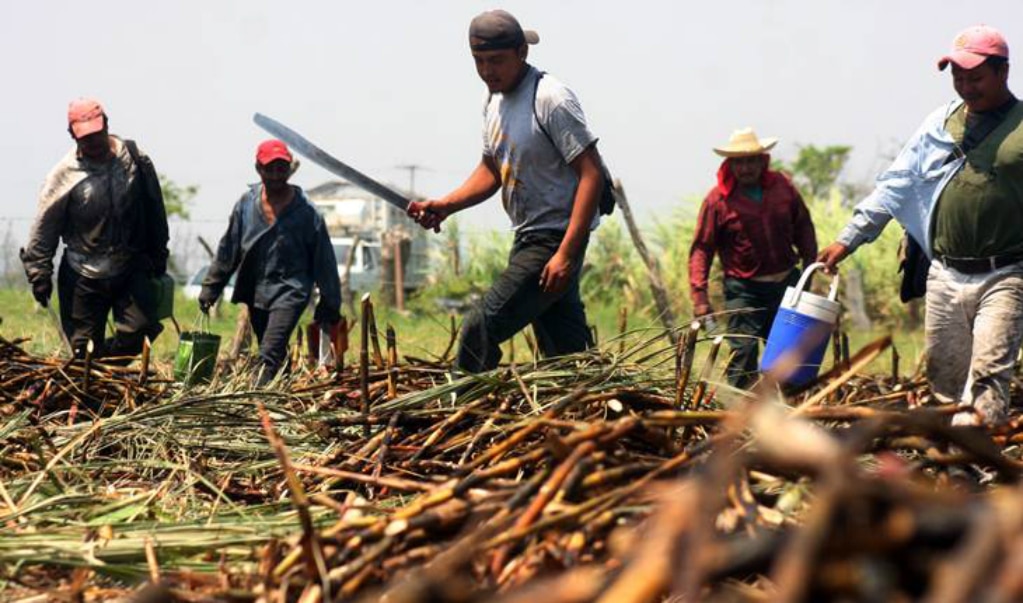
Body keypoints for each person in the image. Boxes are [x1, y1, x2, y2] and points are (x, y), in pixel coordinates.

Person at [818, 25, 1022, 427]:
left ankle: (978, 469)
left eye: (976, 77)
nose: (966, 86)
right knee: (945, 383)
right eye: (958, 77)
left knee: (987, 380)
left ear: (1003, 72)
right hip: (944, 272)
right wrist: (848, 239)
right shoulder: (940, 123)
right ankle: (955, 472)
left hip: (1007, 274)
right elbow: (899, 184)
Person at [406, 9, 607, 373]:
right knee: (567, 356)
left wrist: (565, 253)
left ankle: (465, 409)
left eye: (496, 60)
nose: (487, 71)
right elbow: (492, 169)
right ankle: (593, 422)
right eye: (479, 61)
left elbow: (591, 174)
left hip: (554, 239)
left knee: (479, 327)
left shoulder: (549, 98)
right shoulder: (493, 102)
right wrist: (446, 205)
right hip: (528, 237)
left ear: (521, 53)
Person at [21, 98, 169, 359]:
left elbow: (155, 207)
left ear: (106, 126)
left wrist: (159, 252)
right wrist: (39, 273)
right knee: (82, 352)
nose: (93, 143)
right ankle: (91, 380)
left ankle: (105, 363)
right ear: (73, 136)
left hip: (129, 265)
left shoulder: (133, 158)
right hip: (82, 275)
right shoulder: (64, 175)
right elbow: (44, 228)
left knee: (141, 331)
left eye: (97, 135)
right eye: (85, 138)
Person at [199, 140, 341, 384]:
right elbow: (228, 250)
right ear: (258, 169)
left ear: (289, 170)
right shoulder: (246, 205)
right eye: (270, 169)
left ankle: (257, 400)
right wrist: (211, 287)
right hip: (256, 290)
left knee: (269, 352)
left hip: (291, 290)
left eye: (281, 169)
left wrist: (330, 302)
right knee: (274, 350)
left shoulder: (307, 213)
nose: (276, 175)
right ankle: (283, 394)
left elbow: (324, 261)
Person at [689, 128, 818, 388]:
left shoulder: (783, 187)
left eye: (750, 161)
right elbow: (702, 248)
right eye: (739, 162)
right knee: (743, 352)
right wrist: (700, 298)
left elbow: (803, 226)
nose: (745, 168)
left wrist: (810, 266)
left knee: (786, 356)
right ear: (731, 164)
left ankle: (788, 413)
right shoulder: (718, 200)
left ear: (762, 161)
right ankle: (741, 415)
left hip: (786, 285)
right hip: (743, 289)